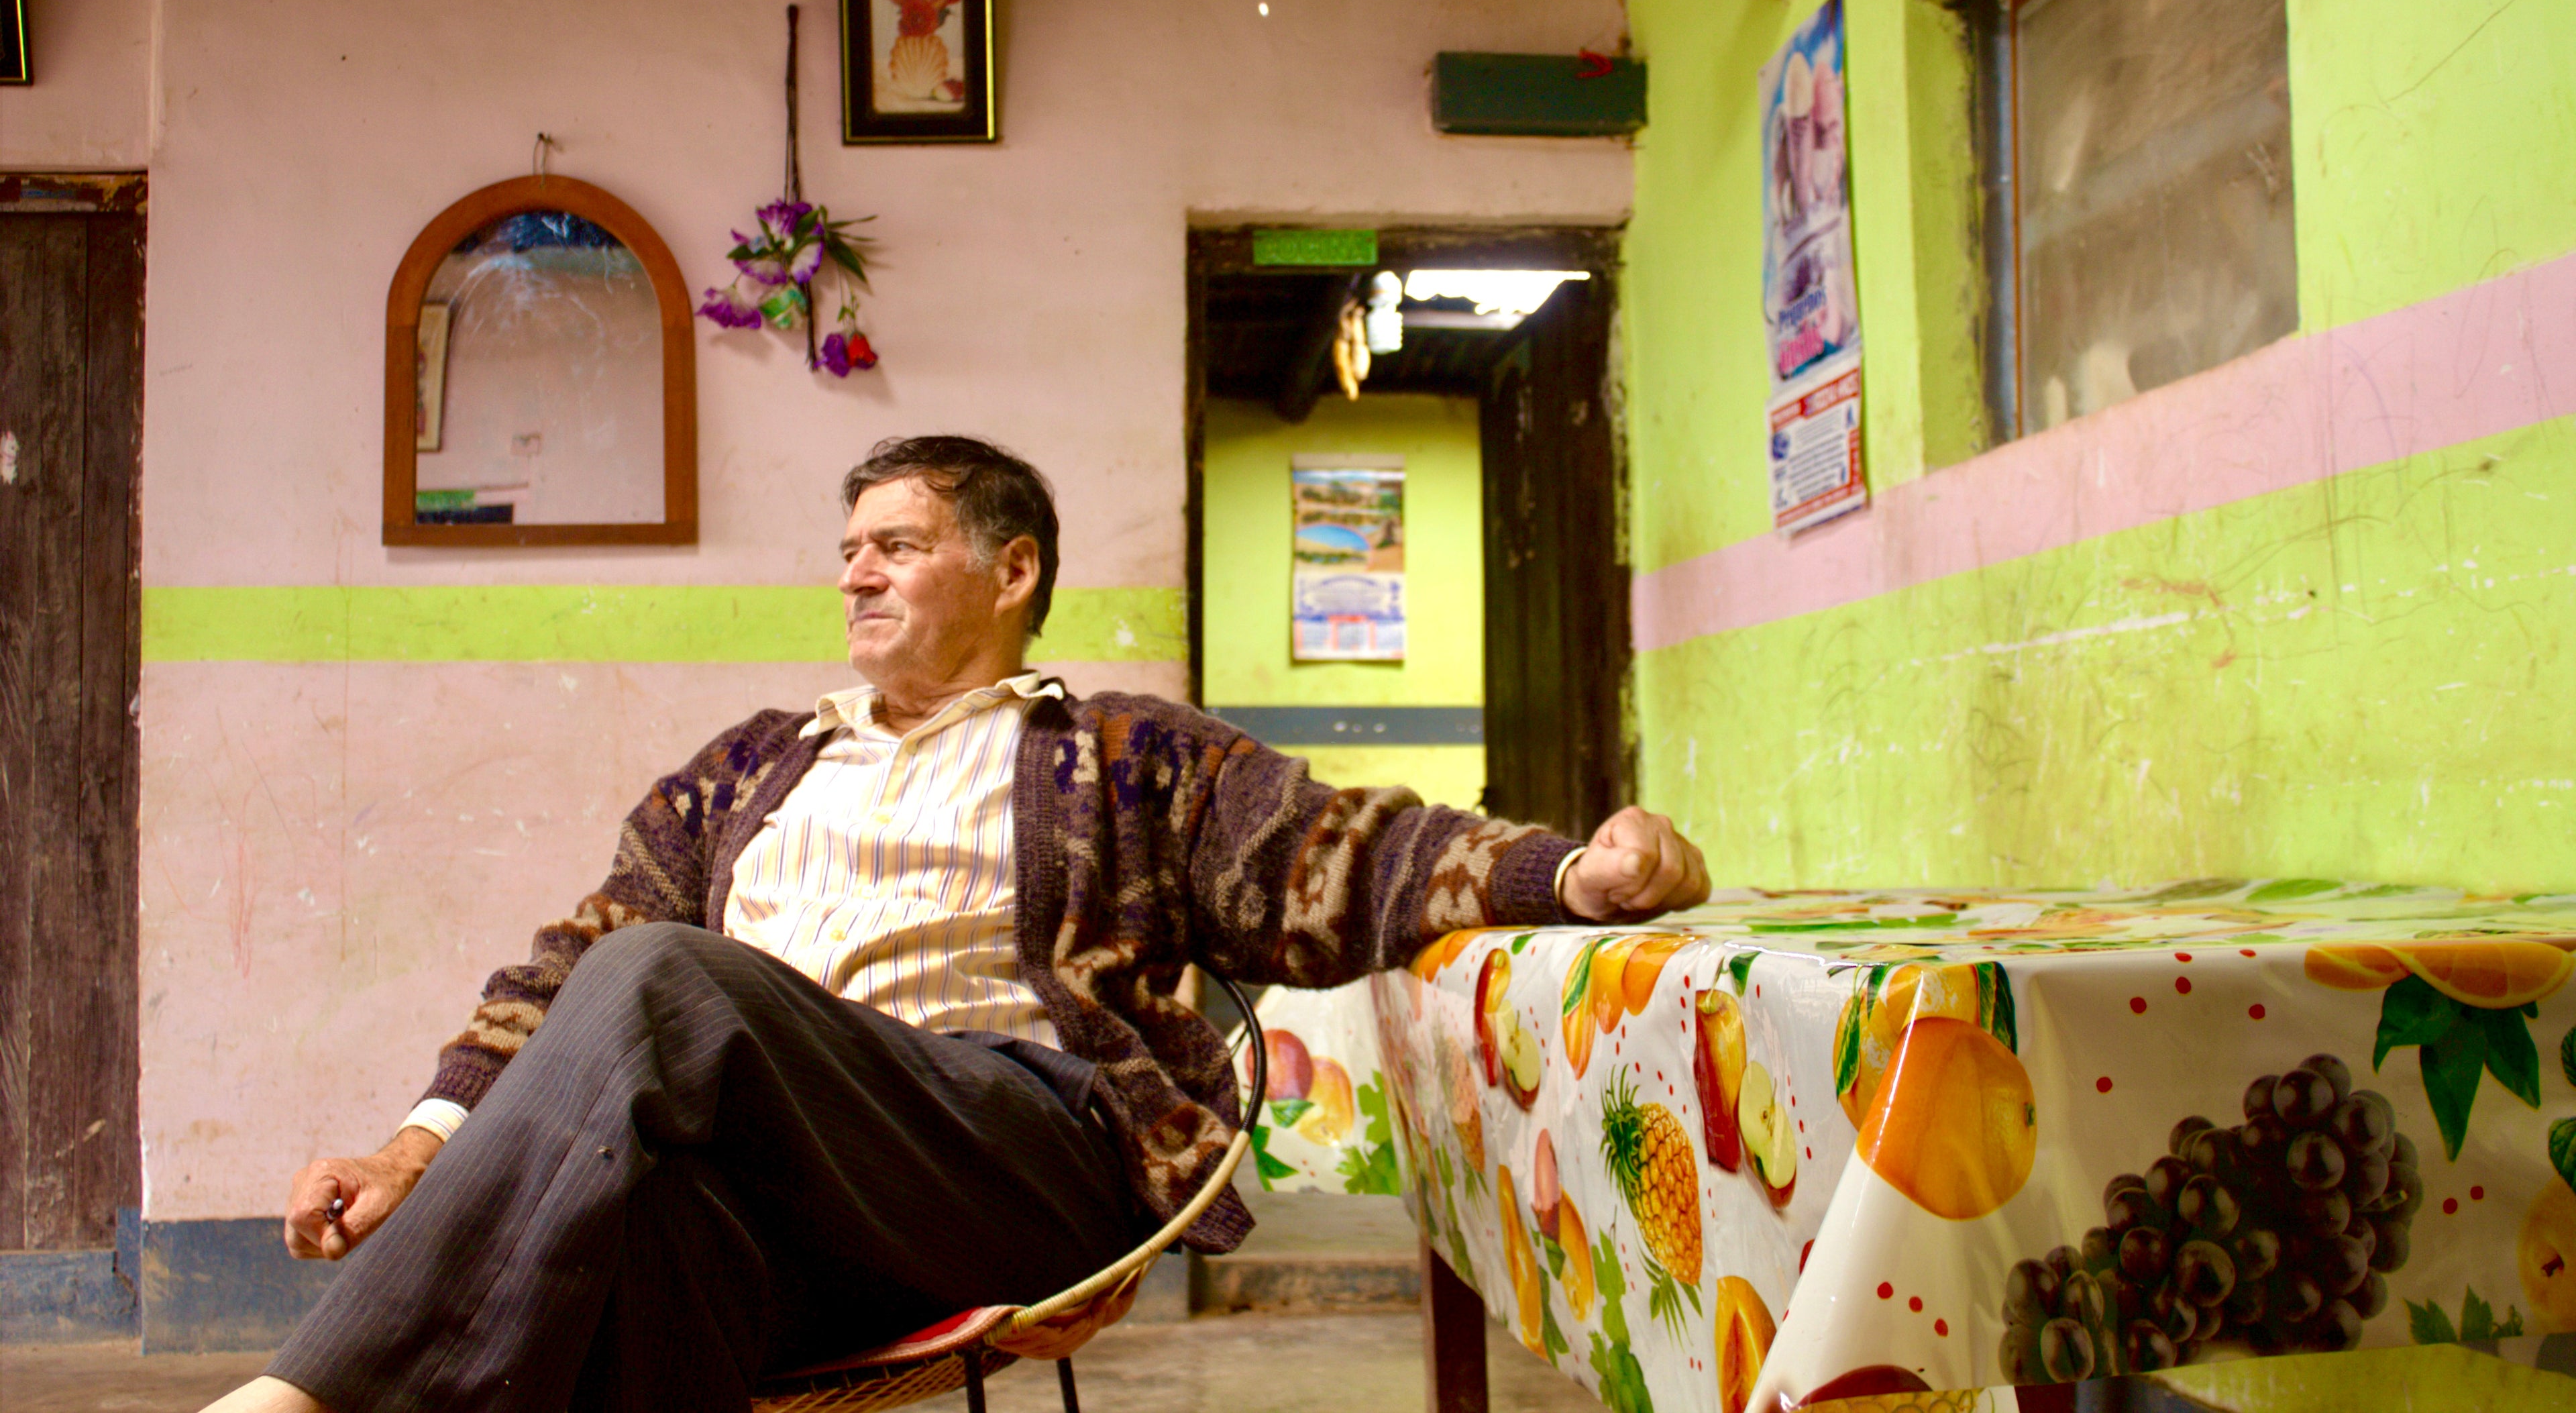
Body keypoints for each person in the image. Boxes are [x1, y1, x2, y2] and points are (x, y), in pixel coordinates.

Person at [205, 435, 1710, 1413]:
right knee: (649, 1220)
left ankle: (298, 1404)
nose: (854, 568)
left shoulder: (1122, 753)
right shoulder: (748, 767)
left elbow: (1342, 855)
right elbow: (556, 970)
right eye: (849, 545)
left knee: (663, 977)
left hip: (1017, 1146)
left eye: (897, 542)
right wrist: (417, 1145)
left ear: (1013, 572)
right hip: (794, 1194)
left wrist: (1567, 871)